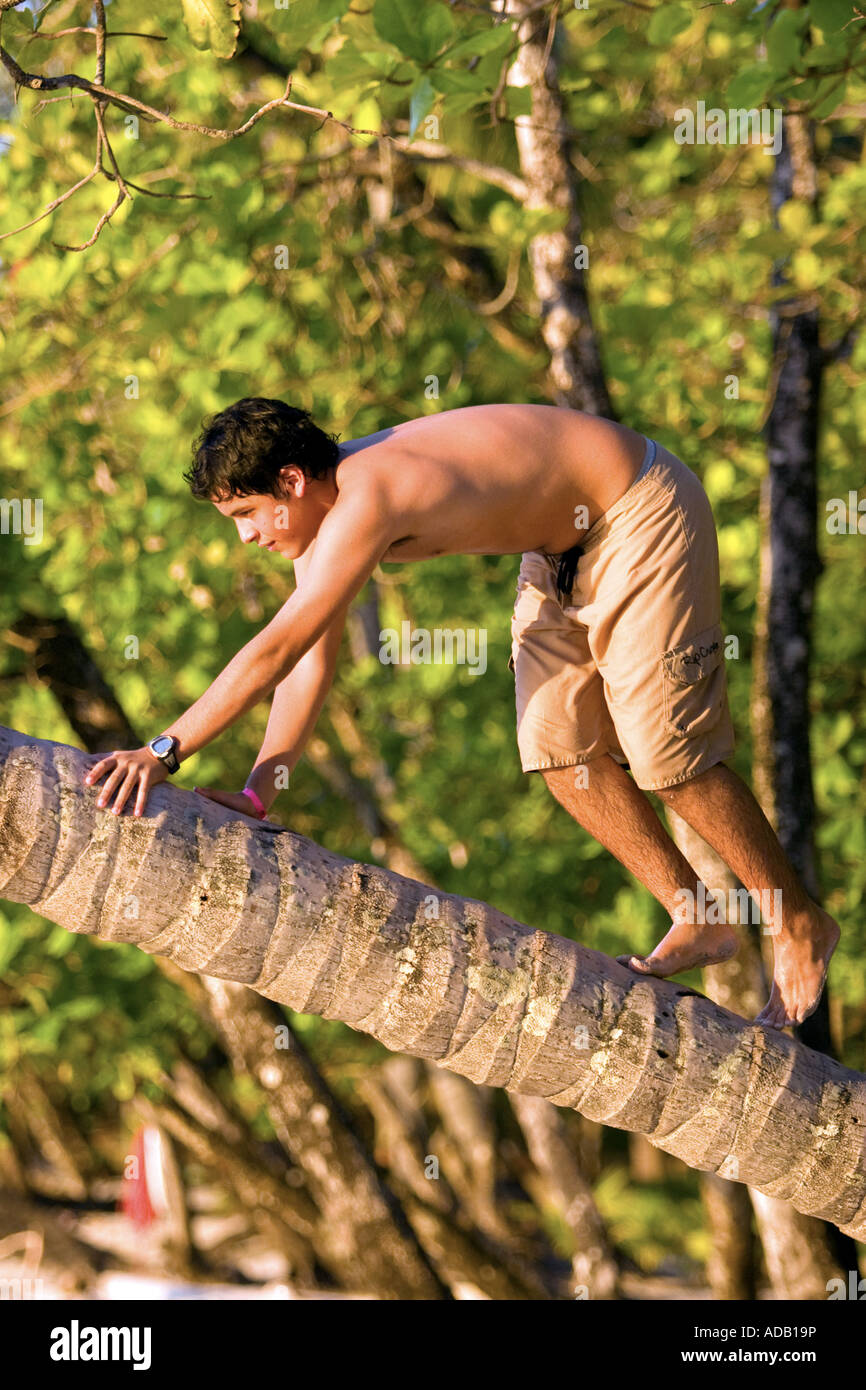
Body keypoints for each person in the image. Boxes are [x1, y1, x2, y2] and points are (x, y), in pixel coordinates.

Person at [83, 397, 840, 1029]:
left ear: (291, 479)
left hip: (638, 511)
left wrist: (163, 750)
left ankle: (796, 918)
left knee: (669, 761)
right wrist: (257, 793)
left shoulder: (368, 494)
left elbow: (276, 650)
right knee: (561, 754)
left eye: (249, 513)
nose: (247, 536)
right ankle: (696, 914)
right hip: (559, 552)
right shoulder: (320, 527)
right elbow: (309, 656)